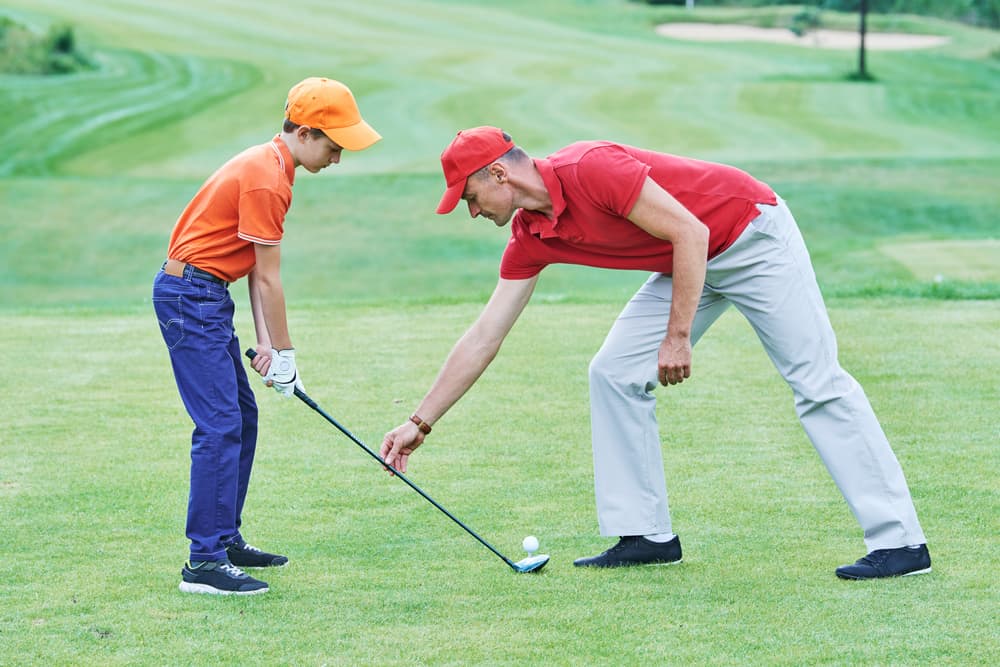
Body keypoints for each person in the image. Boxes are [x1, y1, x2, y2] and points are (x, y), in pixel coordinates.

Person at [381, 126, 931, 580]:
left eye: (470, 199)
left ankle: (901, 542)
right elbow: (485, 336)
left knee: (816, 383)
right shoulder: (531, 235)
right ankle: (646, 534)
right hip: (688, 258)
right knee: (613, 372)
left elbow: (690, 232)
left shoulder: (589, 167)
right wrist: (419, 423)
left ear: (499, 174)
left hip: (750, 235)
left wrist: (677, 335)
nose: (471, 212)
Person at [153, 77, 381, 595]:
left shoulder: (276, 166)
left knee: (240, 415)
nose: (338, 158)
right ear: (304, 133)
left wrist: (270, 345)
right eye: (334, 145)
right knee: (219, 424)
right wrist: (287, 354)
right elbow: (271, 277)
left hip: (205, 294)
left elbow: (256, 271)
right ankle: (203, 562)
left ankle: (223, 536)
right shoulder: (266, 177)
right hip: (190, 297)